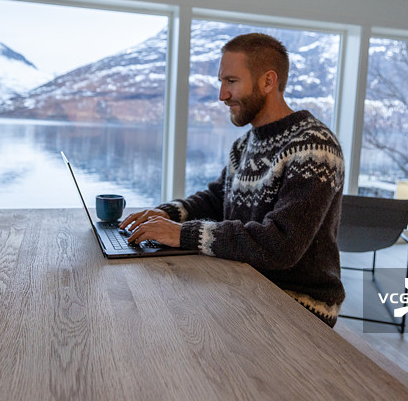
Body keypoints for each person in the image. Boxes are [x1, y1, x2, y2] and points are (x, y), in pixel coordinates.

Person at [120, 33, 345, 327]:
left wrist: (182, 234)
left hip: (297, 304)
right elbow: (217, 200)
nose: (222, 95)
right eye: (221, 82)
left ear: (268, 81)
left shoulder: (313, 147)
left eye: (231, 81)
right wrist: (167, 215)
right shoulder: (244, 145)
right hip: (244, 282)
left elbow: (280, 245)